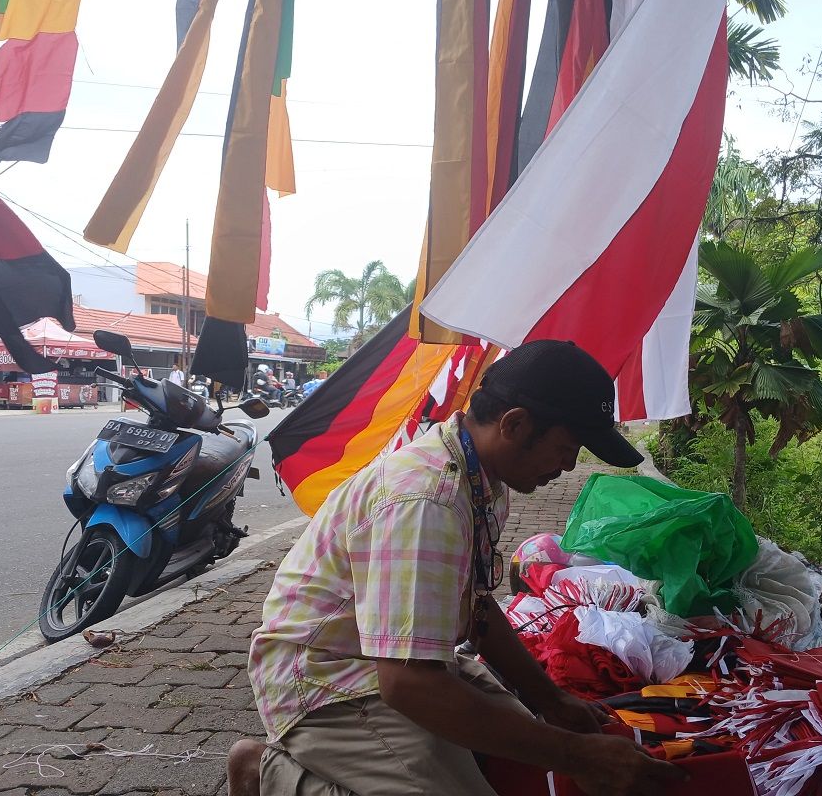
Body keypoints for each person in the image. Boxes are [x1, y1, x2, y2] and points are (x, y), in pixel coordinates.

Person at [227, 340, 683, 796]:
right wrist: (576, 753)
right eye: (566, 448)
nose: (568, 466)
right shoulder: (426, 500)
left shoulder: (482, 479)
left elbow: (475, 605)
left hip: (401, 661)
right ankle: (267, 773)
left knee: (512, 755)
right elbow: (408, 686)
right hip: (326, 676)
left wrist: (551, 700)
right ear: (515, 424)